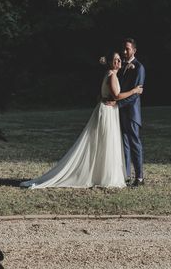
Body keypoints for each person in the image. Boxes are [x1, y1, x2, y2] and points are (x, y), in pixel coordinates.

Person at [20, 52, 143, 189]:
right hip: (108, 111)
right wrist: (134, 91)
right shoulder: (112, 75)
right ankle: (105, 177)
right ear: (110, 62)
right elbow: (117, 95)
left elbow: (103, 95)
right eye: (115, 60)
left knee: (103, 143)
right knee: (106, 142)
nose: (119, 61)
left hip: (107, 109)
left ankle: (101, 174)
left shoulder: (109, 74)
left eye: (119, 59)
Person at [110, 38, 146, 187]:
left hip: (131, 113)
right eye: (123, 49)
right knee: (124, 144)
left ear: (134, 50)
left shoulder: (139, 67)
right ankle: (125, 176)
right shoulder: (122, 65)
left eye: (128, 49)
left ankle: (139, 177)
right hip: (121, 112)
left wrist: (118, 104)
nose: (125, 51)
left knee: (134, 144)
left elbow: (136, 94)